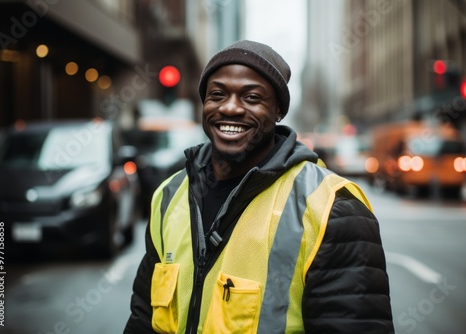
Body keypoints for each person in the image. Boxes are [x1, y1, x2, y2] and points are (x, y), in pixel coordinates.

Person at [124, 40, 394, 333]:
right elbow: (143, 316)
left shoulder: (332, 207)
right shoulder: (168, 195)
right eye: (217, 94)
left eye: (251, 97)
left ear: (278, 111)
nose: (230, 107)